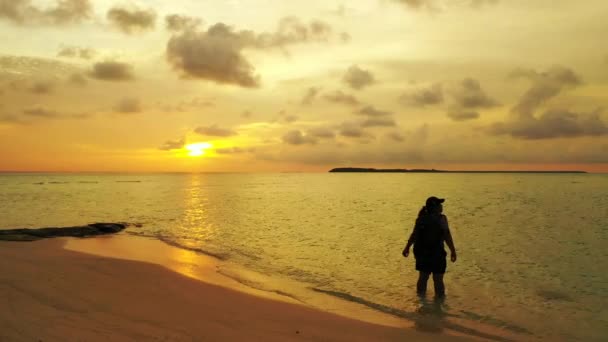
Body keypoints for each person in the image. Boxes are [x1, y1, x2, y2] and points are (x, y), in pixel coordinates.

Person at [402, 196, 457, 298]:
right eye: (439, 204)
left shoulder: (421, 218)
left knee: (423, 277)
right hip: (437, 253)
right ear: (434, 207)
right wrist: (453, 251)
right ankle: (438, 305)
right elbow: (447, 235)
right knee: (438, 279)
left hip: (423, 253)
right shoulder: (441, 219)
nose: (441, 206)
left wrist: (407, 248)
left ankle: (421, 300)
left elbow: (414, 235)